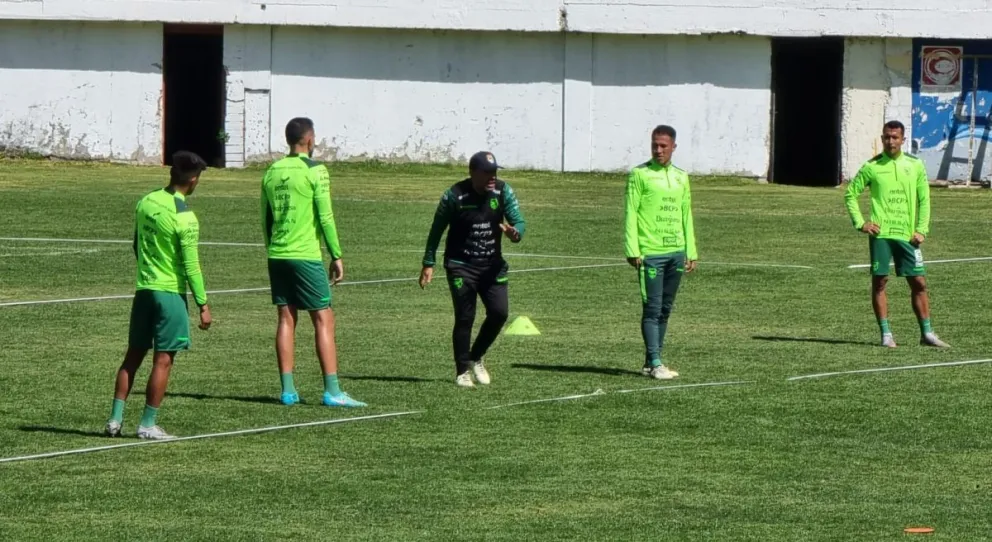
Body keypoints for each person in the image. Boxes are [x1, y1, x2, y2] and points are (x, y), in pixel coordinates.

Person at [105, 151, 213, 440]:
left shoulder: (146, 201)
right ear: (193, 180)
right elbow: (191, 265)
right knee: (163, 360)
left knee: (133, 356)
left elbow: (136, 243)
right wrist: (203, 303)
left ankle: (115, 420)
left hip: (144, 290)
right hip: (169, 294)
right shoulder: (185, 216)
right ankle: (147, 424)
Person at [261, 117, 366, 407]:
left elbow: (265, 217)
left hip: (277, 254)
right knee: (324, 318)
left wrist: (273, 249)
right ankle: (332, 391)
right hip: (305, 254)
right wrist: (336, 254)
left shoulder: (271, 171)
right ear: (309, 139)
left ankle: (288, 391)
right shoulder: (316, 170)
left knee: (286, 318)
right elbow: (325, 214)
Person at [419, 151, 526, 387]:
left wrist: (514, 232)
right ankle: (462, 371)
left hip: (492, 267)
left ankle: (475, 356)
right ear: (472, 172)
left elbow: (519, 221)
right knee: (465, 316)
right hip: (461, 267)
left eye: (495, 172)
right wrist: (428, 262)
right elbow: (436, 229)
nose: (492, 177)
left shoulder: (503, 190)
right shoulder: (454, 196)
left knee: (500, 313)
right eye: (487, 172)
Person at [844, 120, 950, 348]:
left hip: (908, 236)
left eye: (895, 137)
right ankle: (886, 335)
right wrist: (861, 223)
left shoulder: (915, 165)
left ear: (903, 139)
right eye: (886, 137)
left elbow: (924, 199)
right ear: (882, 138)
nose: (890, 141)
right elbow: (850, 194)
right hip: (881, 236)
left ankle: (927, 333)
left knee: (919, 282)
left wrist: (922, 229)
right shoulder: (872, 166)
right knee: (880, 281)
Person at [624, 125, 698, 380]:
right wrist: (633, 248)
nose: (658, 150)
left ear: (673, 147)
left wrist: (691, 251)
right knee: (652, 308)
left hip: (676, 252)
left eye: (664, 146)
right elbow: (631, 212)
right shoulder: (639, 174)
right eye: (655, 145)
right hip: (651, 253)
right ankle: (656, 363)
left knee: (665, 309)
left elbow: (686, 213)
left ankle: (650, 362)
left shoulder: (681, 176)